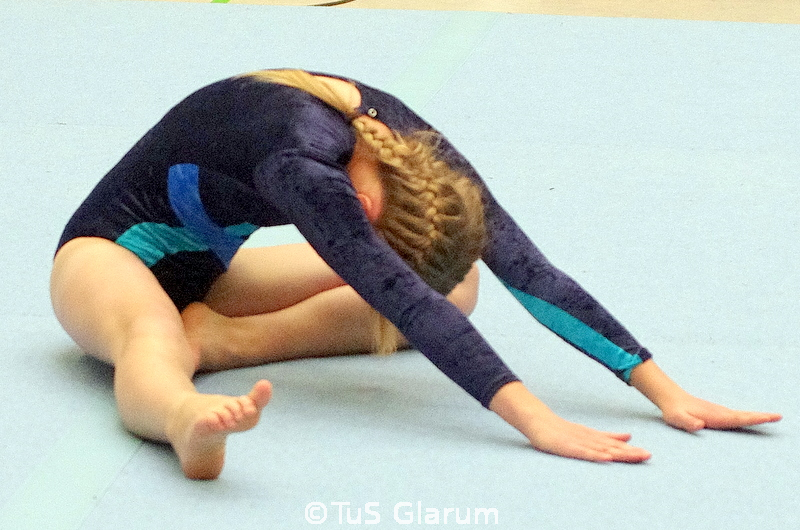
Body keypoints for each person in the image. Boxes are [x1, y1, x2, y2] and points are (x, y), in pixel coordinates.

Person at [50, 69, 781, 480]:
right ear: (366, 211)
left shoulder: (408, 149)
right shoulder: (301, 164)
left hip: (214, 269)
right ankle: (181, 415)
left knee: (457, 286)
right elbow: (402, 300)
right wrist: (538, 421)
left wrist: (664, 391)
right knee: (150, 334)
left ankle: (219, 339)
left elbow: (530, 271)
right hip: (107, 258)